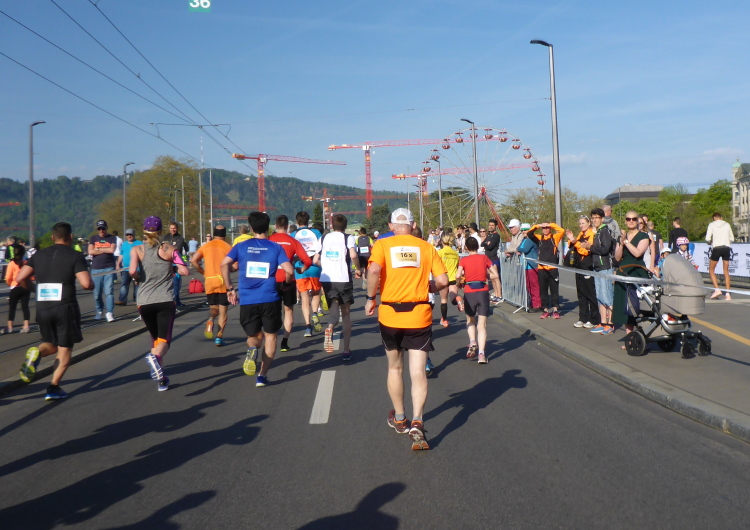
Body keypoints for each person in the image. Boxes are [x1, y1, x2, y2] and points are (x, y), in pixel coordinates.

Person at [365, 208, 448, 451]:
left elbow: (373, 271)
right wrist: (429, 287)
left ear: (391, 226)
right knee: (418, 371)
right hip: (419, 315)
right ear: (413, 225)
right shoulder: (426, 247)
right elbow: (443, 281)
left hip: (390, 314)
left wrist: (370, 298)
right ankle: (418, 420)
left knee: (395, 367)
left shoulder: (382, 245)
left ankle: (400, 418)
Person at [18, 222, 93, 400]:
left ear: (52, 237)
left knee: (50, 344)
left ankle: (37, 353)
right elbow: (86, 283)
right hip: (65, 307)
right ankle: (53, 387)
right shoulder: (75, 255)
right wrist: (91, 285)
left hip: (43, 307)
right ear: (70, 237)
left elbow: (20, 277)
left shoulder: (38, 255)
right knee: (65, 350)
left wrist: (35, 289)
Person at [221, 212, 294, 387]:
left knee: (253, 336)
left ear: (251, 228)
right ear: (268, 228)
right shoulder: (275, 247)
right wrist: (286, 284)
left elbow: (224, 264)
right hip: (270, 298)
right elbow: (290, 270)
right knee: (271, 337)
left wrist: (230, 288)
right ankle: (262, 375)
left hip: (248, 300)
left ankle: (252, 349)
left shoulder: (241, 246)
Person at [130, 216, 189, 391]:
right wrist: (173, 267)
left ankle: (161, 379)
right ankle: (154, 358)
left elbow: (132, 271)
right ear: (161, 231)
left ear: (143, 230)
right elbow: (185, 271)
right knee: (164, 341)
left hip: (144, 301)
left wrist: (137, 278)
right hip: (165, 300)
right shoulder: (169, 249)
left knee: (155, 339)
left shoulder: (137, 249)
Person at [317, 214, 359, 361]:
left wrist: (326, 266)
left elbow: (315, 259)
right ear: (345, 226)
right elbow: (353, 255)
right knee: (346, 315)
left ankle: (330, 328)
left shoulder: (323, 238)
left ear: (332, 225)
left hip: (327, 280)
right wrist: (358, 268)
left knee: (334, 314)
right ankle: (346, 350)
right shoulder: (348, 238)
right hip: (343, 279)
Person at [269, 215, 311, 353]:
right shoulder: (293, 241)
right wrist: (301, 269)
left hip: (272, 279)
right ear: (287, 226)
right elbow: (307, 260)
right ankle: (284, 342)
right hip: (288, 279)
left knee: (273, 311)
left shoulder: (269, 240)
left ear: (276, 226)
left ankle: (271, 340)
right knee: (288, 310)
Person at [457, 236, 499, 364]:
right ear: (477, 246)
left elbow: (458, 275)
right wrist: (485, 275)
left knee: (470, 320)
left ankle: (472, 341)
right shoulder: (484, 258)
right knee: (482, 325)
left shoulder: (463, 260)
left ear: (466, 248)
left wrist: (460, 282)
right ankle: (481, 355)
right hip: (483, 292)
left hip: (469, 292)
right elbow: (495, 275)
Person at [191, 225, 232, 346]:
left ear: (214, 234)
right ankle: (219, 337)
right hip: (223, 281)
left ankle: (210, 319)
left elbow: (193, 261)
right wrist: (230, 269)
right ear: (224, 234)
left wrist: (203, 272)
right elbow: (235, 266)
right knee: (223, 311)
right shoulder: (227, 247)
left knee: (214, 308)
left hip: (209, 280)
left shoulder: (206, 246)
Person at [613, 211, 651, 343]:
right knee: (625, 307)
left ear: (637, 221)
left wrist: (626, 242)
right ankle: (630, 338)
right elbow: (617, 257)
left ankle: (641, 336)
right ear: (625, 221)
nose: (631, 221)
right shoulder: (621, 237)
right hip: (623, 272)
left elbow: (638, 253)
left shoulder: (644, 236)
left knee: (637, 306)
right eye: (628, 219)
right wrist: (622, 244)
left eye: (634, 219)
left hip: (637, 271)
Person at [583, 208, 616, 335]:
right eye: (593, 218)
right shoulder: (597, 232)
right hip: (597, 267)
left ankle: (610, 324)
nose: (594, 220)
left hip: (605, 267)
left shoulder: (604, 231)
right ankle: (603, 323)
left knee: (607, 296)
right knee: (600, 297)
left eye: (597, 217)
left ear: (602, 219)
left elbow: (604, 249)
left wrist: (590, 247)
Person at [291, 211, 324, 337]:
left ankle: (308, 327)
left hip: (300, 267)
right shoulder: (316, 233)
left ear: (297, 221)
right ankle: (315, 313)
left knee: (304, 297)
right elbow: (321, 248)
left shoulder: (293, 234)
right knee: (316, 293)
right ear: (308, 220)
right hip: (315, 267)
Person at [566, 215, 598, 329]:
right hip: (579, 266)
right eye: (580, 223)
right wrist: (571, 239)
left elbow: (586, 250)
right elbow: (572, 246)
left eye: (583, 223)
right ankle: (583, 318)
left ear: (589, 223)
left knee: (590, 293)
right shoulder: (580, 234)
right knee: (581, 294)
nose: (581, 225)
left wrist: (575, 242)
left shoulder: (592, 234)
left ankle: (594, 319)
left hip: (588, 266)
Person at [527, 221, 564, 319]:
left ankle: (555, 310)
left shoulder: (554, 237)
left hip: (552, 268)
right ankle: (545, 310)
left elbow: (561, 231)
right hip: (542, 268)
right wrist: (538, 225)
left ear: (550, 229)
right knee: (543, 290)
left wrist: (550, 224)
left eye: (547, 228)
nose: (545, 229)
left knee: (554, 289)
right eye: (544, 228)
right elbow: (529, 233)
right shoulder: (539, 238)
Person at [88, 219, 117, 322]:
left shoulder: (112, 238)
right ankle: (99, 310)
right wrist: (104, 250)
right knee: (97, 293)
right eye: (99, 229)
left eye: (103, 228)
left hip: (109, 268)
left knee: (109, 291)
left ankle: (110, 312)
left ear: (106, 228)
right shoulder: (93, 238)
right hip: (96, 269)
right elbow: (90, 251)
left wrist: (98, 249)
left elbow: (112, 250)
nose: (101, 231)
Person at [705, 211, 735, 300]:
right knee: (726, 271)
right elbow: (732, 238)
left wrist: (710, 242)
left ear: (714, 218)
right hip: (726, 248)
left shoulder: (712, 225)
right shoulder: (727, 224)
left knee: (711, 269)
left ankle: (717, 289)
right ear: (721, 217)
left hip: (717, 248)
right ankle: (728, 294)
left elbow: (707, 238)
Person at [5, 243, 31, 334]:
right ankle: (26, 325)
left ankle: (10, 327)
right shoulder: (26, 263)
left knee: (12, 307)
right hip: (25, 286)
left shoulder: (12, 263)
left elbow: (8, 277)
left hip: (14, 286)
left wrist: (10, 284)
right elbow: (30, 275)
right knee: (25, 307)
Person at [161, 222, 188, 307]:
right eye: (171, 228)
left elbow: (177, 249)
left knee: (176, 283)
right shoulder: (165, 237)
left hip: (175, 264)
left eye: (174, 228)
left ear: (177, 229)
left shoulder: (180, 238)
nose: (173, 230)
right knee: (165, 284)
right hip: (165, 264)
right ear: (169, 229)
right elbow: (161, 248)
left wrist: (167, 248)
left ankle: (176, 301)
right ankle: (166, 302)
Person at [436, 233, 460, 329]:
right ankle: (458, 300)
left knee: (443, 299)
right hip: (453, 278)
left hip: (444, 278)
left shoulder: (440, 252)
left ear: (442, 241)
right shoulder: (455, 253)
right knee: (453, 300)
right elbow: (458, 266)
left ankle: (444, 320)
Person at [517, 223, 542, 312]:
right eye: (522, 230)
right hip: (526, 266)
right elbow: (519, 247)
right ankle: (532, 303)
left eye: (526, 230)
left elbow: (524, 249)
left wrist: (519, 249)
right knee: (528, 286)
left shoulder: (531, 239)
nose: (524, 232)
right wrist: (519, 249)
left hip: (532, 266)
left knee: (534, 286)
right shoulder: (525, 239)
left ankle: (537, 304)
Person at [116, 228, 142, 306]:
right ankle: (122, 300)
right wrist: (118, 264)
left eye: (130, 234)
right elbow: (121, 254)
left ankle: (137, 300)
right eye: (127, 235)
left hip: (136, 268)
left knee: (137, 284)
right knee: (124, 284)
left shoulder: (139, 243)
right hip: (126, 269)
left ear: (134, 235)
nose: (129, 236)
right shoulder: (124, 244)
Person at [482, 219, 503, 304]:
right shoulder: (489, 235)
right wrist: (486, 243)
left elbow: (490, 246)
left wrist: (487, 244)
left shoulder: (496, 236)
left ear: (495, 226)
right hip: (488, 258)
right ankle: (496, 294)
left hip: (493, 258)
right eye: (490, 225)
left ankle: (499, 295)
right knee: (492, 278)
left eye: (492, 225)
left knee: (496, 277)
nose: (491, 227)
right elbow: (482, 244)